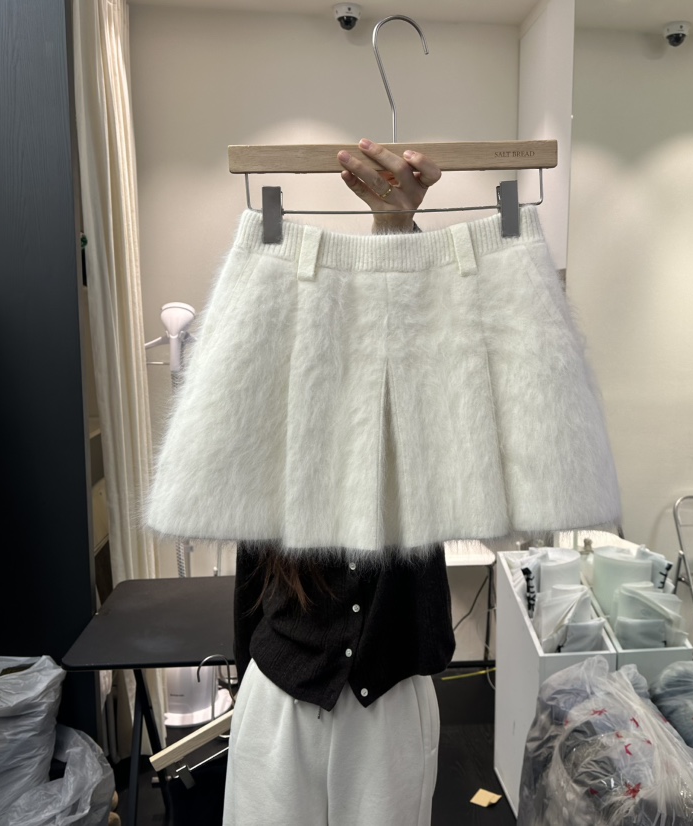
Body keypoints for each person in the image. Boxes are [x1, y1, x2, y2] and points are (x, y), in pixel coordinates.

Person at [223, 140, 456, 826]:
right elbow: (250, 573)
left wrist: (397, 229)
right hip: (279, 698)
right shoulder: (272, 417)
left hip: (388, 702)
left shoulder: (416, 416)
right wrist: (243, 678)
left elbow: (428, 351)